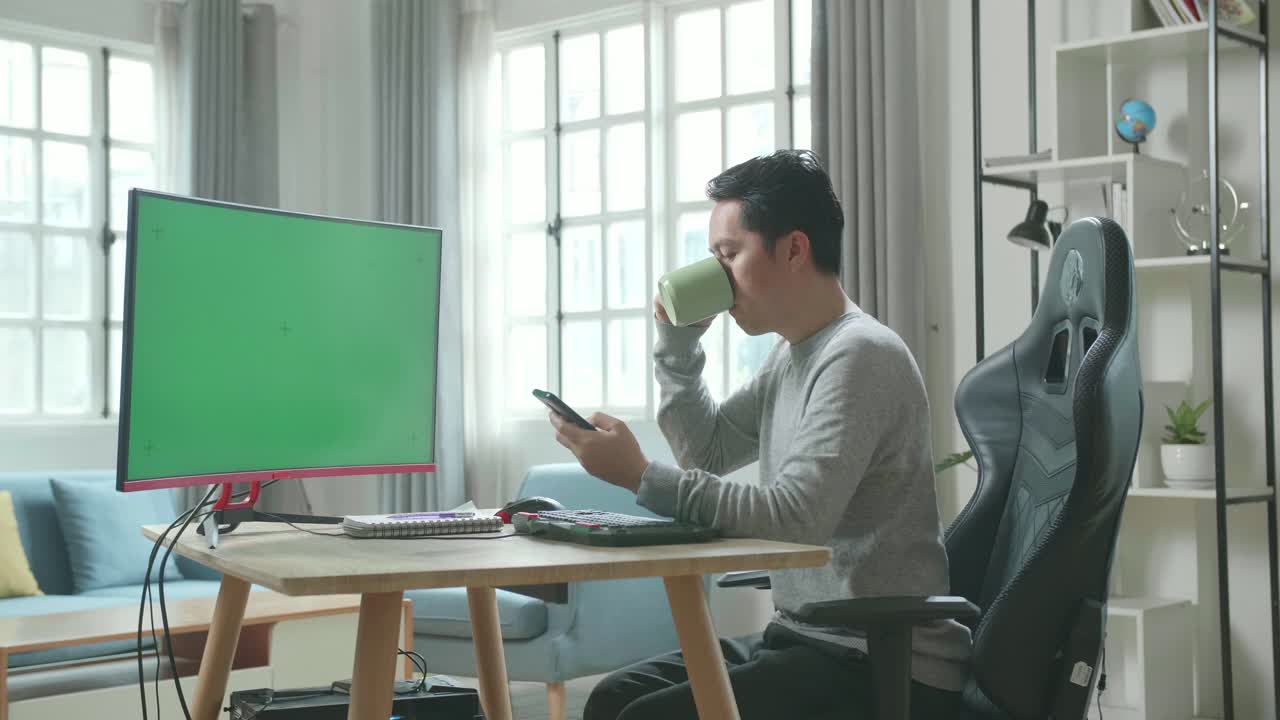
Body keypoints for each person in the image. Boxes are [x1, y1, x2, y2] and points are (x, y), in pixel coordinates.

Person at [547, 149, 971, 720]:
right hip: (807, 639)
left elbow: (797, 517)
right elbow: (710, 453)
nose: (719, 276)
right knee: (614, 698)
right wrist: (677, 348)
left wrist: (639, 476)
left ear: (794, 249)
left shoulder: (860, 355)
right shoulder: (793, 356)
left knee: (647, 718)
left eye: (730, 255)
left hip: (880, 663)